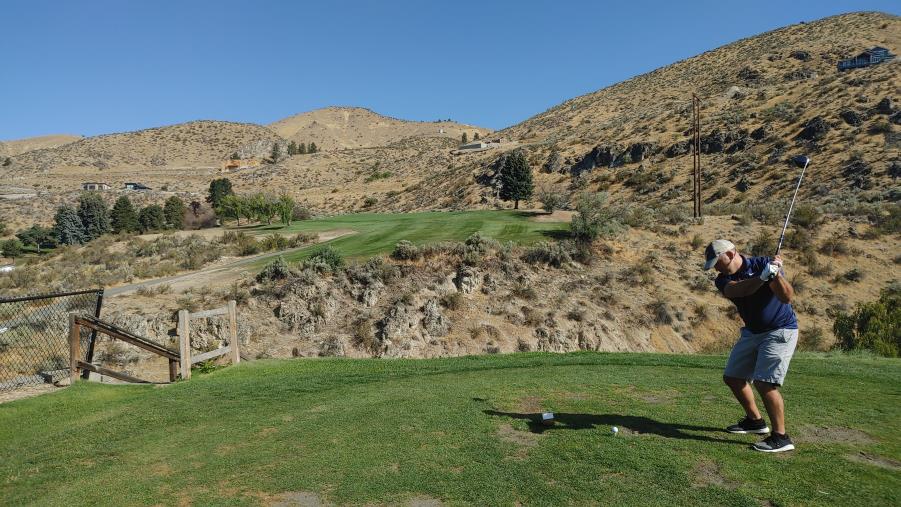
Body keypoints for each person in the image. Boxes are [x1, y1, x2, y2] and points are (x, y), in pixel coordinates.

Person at [704, 239, 798, 452]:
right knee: (733, 377)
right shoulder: (723, 279)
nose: (716, 268)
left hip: (779, 330)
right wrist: (762, 277)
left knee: (764, 383)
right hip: (753, 332)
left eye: (717, 262)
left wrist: (774, 275)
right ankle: (755, 422)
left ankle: (781, 437)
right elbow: (738, 291)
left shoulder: (763, 264)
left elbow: (786, 297)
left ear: (730, 254)